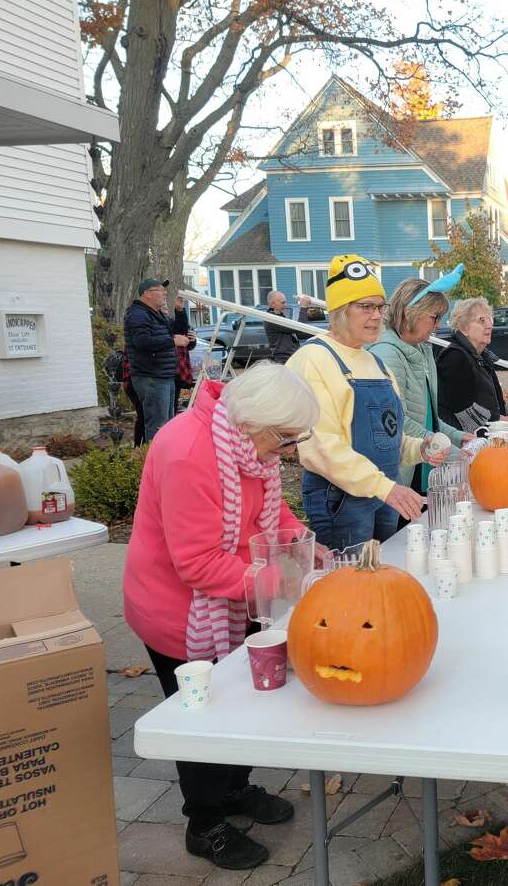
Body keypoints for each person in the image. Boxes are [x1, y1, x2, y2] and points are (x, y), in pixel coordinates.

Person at [123, 363, 321, 870]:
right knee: (203, 717)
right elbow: (197, 564)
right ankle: (204, 821)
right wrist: (284, 580)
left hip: (234, 601)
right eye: (285, 437)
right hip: (178, 611)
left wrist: (299, 542)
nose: (290, 450)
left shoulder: (248, 446)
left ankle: (235, 790)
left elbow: (268, 513)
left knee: (240, 704)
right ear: (255, 420)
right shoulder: (188, 452)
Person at [287, 255, 446, 549]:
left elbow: (388, 439)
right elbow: (321, 448)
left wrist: (418, 449)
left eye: (379, 307)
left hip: (385, 495)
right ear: (339, 309)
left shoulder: (375, 363)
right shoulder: (313, 360)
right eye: (365, 307)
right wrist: (384, 488)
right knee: (352, 586)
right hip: (341, 501)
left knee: (385, 579)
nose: (376, 316)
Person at [370, 278, 471, 498]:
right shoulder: (387, 353)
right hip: (400, 474)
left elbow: (428, 417)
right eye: (434, 318)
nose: (438, 325)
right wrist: (454, 454)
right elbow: (401, 422)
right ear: (409, 313)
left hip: (422, 465)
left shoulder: (422, 349)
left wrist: (459, 437)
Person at [125, 277, 190, 442]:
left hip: (164, 375)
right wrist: (172, 341)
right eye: (160, 290)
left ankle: (166, 462)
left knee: (167, 425)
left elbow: (178, 330)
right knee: (157, 425)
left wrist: (180, 311)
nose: (165, 293)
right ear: (147, 294)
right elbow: (142, 342)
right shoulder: (138, 315)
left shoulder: (156, 314)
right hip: (151, 377)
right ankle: (154, 463)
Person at [437, 297, 508, 431]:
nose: (489, 325)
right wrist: (499, 420)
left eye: (490, 319)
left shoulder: (483, 357)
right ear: (463, 328)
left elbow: (497, 402)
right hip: (465, 443)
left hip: (488, 434)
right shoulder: (455, 357)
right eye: (482, 320)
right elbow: (463, 408)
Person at [263, 291, 311, 364]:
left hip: (291, 357)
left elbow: (300, 334)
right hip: (284, 360)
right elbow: (300, 327)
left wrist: (319, 333)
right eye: (283, 303)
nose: (285, 305)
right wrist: (303, 307)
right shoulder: (272, 319)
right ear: (272, 304)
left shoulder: (281, 317)